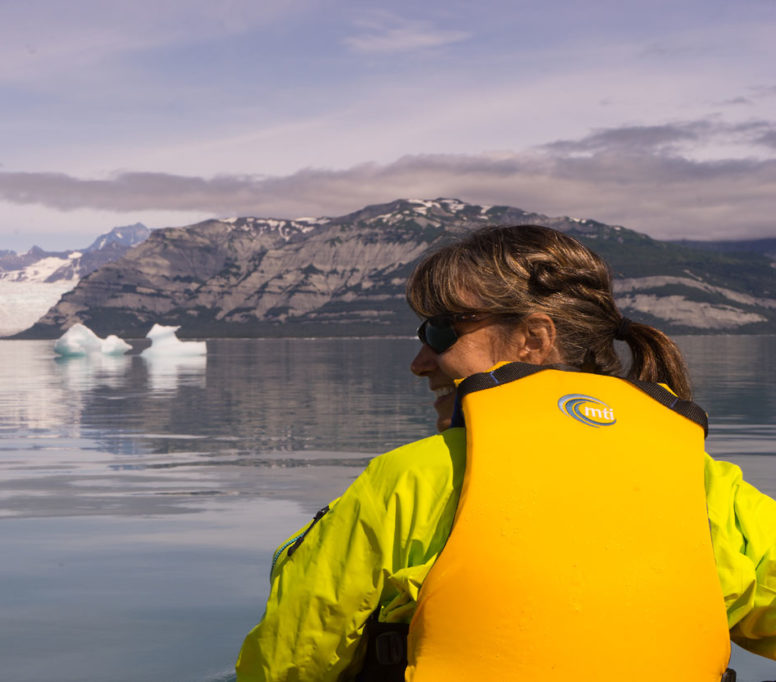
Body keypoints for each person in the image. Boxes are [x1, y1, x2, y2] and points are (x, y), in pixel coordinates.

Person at [235, 225, 776, 681]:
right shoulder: (706, 485)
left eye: (440, 330)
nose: (420, 362)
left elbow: (289, 662)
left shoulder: (409, 481)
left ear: (533, 339)